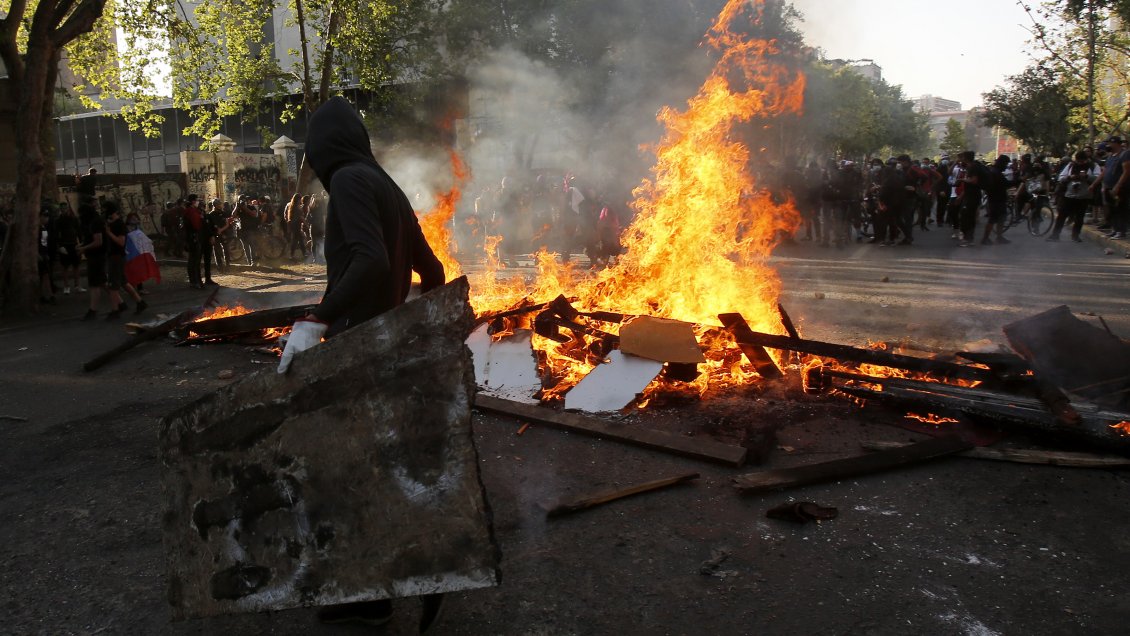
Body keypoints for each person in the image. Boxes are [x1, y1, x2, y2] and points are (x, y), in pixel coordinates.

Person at [275, 95, 446, 631]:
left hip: (356, 350)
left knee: (350, 473)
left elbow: (371, 259)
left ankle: (377, 592)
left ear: (323, 146)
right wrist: (414, 322)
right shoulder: (387, 185)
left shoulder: (349, 181)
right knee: (381, 466)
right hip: (387, 347)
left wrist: (319, 318)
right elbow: (433, 271)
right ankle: (396, 580)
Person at [103, 202, 148, 316]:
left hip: (117, 256)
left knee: (113, 286)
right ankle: (140, 302)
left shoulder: (119, 224)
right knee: (124, 282)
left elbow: (121, 242)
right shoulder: (114, 224)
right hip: (116, 256)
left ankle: (115, 310)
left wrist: (109, 233)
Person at [1049, 150, 1100, 242]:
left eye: (1082, 161)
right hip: (1069, 194)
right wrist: (1070, 177)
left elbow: (1098, 178)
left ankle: (1075, 235)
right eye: (1078, 161)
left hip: (1084, 195)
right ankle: (1055, 235)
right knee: (1062, 216)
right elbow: (1061, 177)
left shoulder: (1093, 166)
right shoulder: (1071, 165)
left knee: (1079, 217)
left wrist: (1086, 176)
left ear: (1086, 160)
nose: (1080, 163)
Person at [54, 202, 83, 294]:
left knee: (76, 266)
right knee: (65, 267)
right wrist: (60, 246)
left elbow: (79, 231)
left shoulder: (74, 219)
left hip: (74, 244)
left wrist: (81, 244)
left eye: (65, 208)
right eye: (62, 208)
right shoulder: (58, 221)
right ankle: (66, 286)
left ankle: (77, 285)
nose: (64, 210)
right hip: (64, 245)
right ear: (60, 209)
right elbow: (56, 234)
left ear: (68, 208)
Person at [183, 194, 205, 288]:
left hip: (190, 238)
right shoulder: (192, 211)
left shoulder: (188, 211)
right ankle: (196, 281)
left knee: (192, 260)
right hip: (194, 238)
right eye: (197, 200)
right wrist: (201, 218)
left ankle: (193, 280)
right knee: (195, 261)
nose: (198, 202)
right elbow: (197, 225)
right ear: (193, 201)